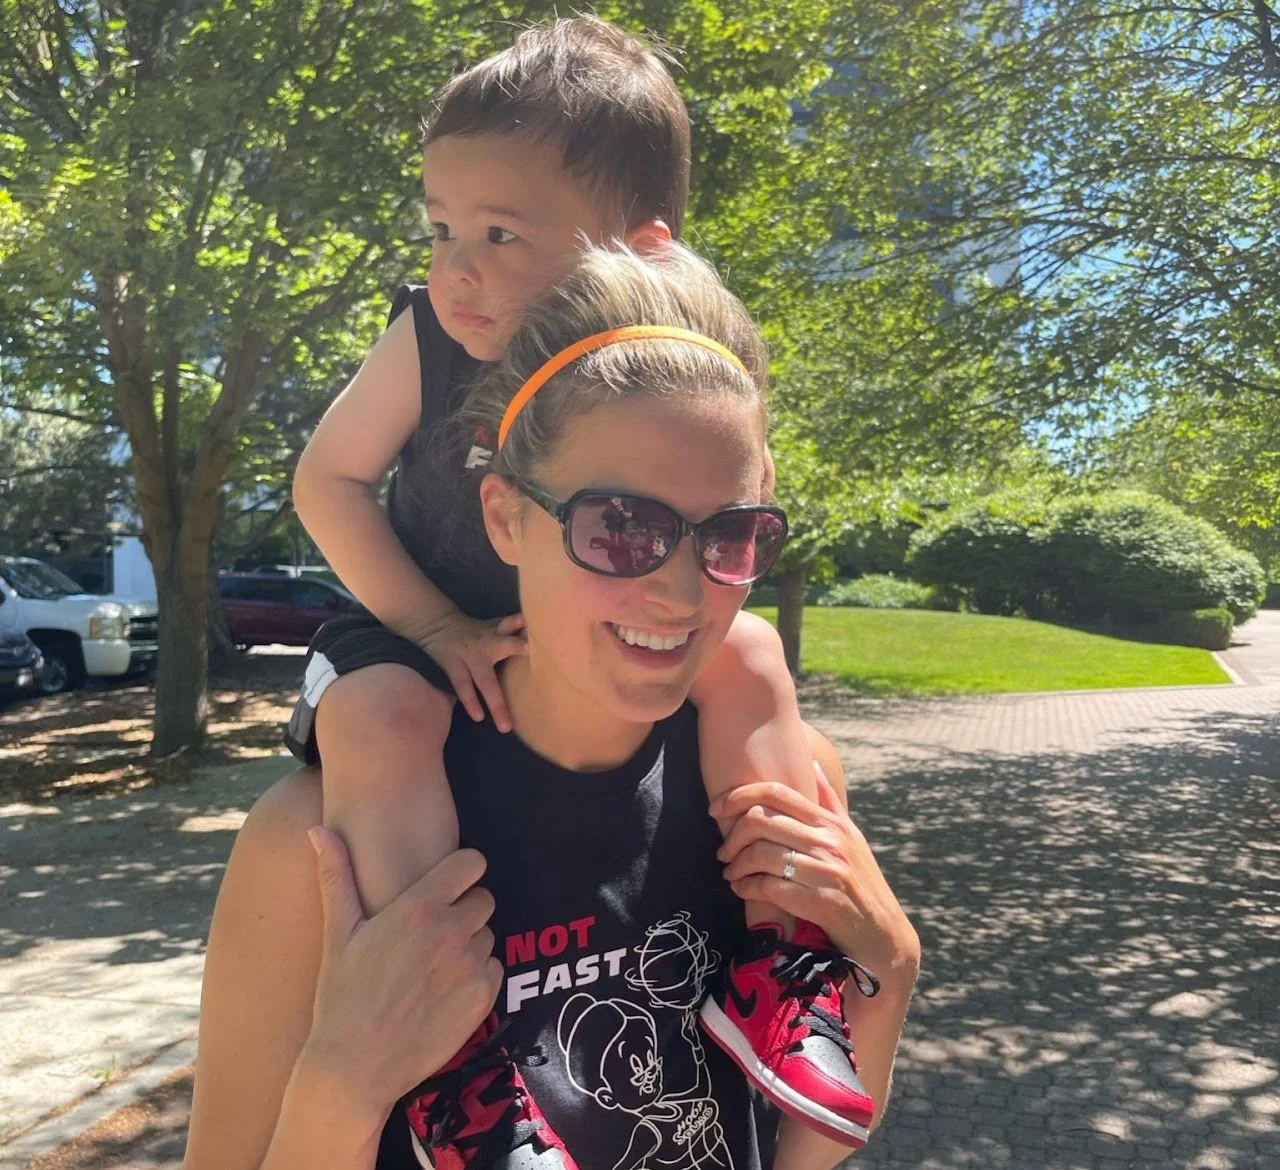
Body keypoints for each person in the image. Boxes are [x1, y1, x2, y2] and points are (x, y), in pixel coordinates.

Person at [183, 242, 920, 1170]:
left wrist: (890, 972)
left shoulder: (784, 781)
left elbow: (796, 1151)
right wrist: (342, 1084)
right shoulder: (321, 843)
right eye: (621, 528)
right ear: (505, 517)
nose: (682, 593)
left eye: (730, 536)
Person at [287, 14, 880, 1152]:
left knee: (753, 652)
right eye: (442, 227)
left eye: (501, 233)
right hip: (418, 624)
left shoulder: (669, 367)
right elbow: (329, 480)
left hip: (559, 634)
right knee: (382, 716)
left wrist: (882, 967)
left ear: (638, 252)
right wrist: (434, 625)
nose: (457, 266)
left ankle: (782, 970)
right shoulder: (428, 337)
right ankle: (460, 1061)